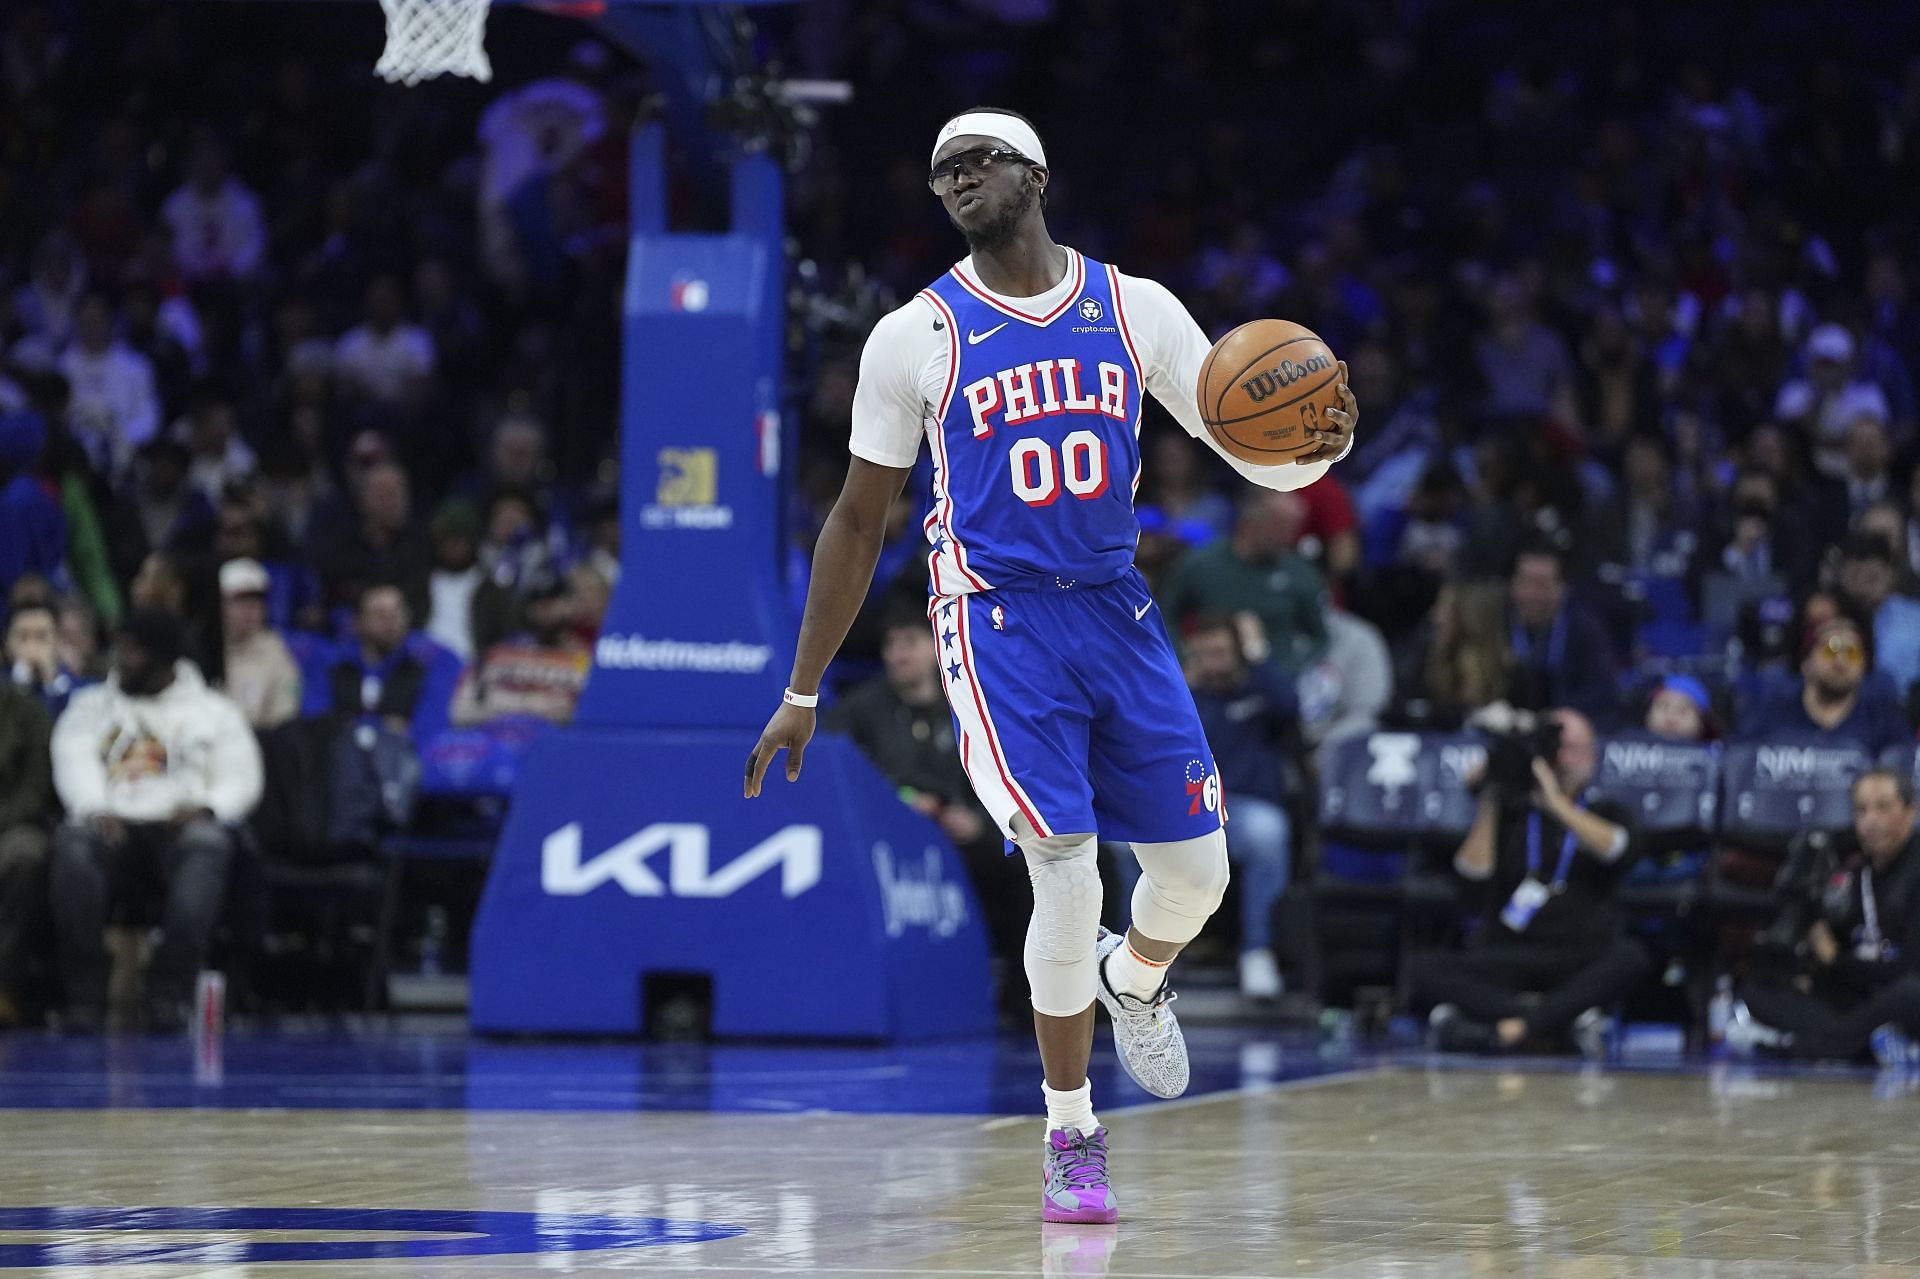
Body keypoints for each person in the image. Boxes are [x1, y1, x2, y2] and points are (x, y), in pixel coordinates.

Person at [742, 108, 1356, 1224]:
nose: (960, 180)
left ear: (1035, 173)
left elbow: (1246, 450)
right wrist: (801, 688)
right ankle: (1071, 1129)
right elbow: (855, 519)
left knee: (1198, 876)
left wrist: (1325, 441)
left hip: (1117, 611)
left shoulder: (1135, 308)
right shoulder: (913, 336)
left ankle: (1137, 977)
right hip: (995, 626)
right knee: (1066, 867)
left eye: (979, 161)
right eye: (942, 174)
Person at [48, 610, 263, 1031]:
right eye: (119, 647)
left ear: (164, 658)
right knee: (72, 845)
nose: (120, 658)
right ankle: (86, 992)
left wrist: (208, 807)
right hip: (113, 825)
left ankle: (169, 990)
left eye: (133, 650)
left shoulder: (213, 711)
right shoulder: (91, 705)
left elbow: (243, 776)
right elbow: (71, 760)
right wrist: (94, 806)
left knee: (209, 844)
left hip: (180, 828)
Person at [1408, 708, 1650, 1055]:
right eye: (1554, 745)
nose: (1561, 757)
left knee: (1631, 956)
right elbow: (1470, 878)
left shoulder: (1606, 810)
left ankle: (1507, 1025)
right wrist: (1491, 796)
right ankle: (1551, 1023)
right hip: (1509, 949)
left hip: (1576, 952)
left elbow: (1617, 849)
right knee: (1423, 967)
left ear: (1593, 758)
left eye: (1572, 747)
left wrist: (1554, 803)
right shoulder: (1513, 812)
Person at [825, 612, 1020, 1005]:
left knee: (1039, 866)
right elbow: (834, 771)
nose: (898, 655)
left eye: (909, 643)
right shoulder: (861, 709)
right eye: (890, 646)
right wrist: (899, 802)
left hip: (969, 838)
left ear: (936, 647)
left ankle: (1023, 999)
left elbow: (1007, 775)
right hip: (892, 841)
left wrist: (980, 823)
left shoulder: (972, 705)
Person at [1737, 769, 1920, 1064]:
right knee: (1758, 993)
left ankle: (1817, 1047)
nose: (1870, 821)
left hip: (1903, 991)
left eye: (1883, 808)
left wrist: (1836, 960)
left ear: (1911, 812)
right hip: (1862, 997)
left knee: (1910, 992)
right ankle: (1865, 1043)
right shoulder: (1853, 870)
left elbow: (1910, 967)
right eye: (1861, 810)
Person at [1172, 615, 1298, 999]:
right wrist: (1180, 689)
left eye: (1223, 652)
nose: (1215, 663)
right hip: (1187, 812)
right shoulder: (1184, 700)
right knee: (1122, 843)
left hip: (1244, 809)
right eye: (1205, 654)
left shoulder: (1259, 694)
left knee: (1268, 832)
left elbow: (1291, 708)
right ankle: (1139, 956)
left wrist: (1259, 656)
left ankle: (1258, 951)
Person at [1160, 489, 1331, 676]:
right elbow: (1165, 615)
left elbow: (1320, 638)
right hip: (1211, 682)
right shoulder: (1203, 563)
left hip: (1277, 687)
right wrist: (1180, 660)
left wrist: (1293, 669)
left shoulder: (1300, 573)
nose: (1287, 537)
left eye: (1292, 528)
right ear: (1250, 520)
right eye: (1279, 527)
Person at [1738, 614, 1912, 756]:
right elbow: (1738, 764)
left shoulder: (1885, 723)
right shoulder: (1770, 717)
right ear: (1806, 663)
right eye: (1831, 650)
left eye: (1852, 653)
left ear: (1864, 666)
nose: (1841, 662)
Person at [1505, 541, 1618, 718]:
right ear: (1512, 585)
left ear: (1562, 588)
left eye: (1542, 585)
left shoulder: (1585, 629)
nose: (1532, 594)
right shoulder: (1496, 626)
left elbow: (1602, 690)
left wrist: (1557, 715)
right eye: (1525, 583)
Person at [0, 677, 53, 1027]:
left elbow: (36, 787)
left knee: (25, 855)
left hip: (11, 826)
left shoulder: (25, 710)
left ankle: (4, 984)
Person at [218, 557, 300, 730]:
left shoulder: (277, 653)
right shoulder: (203, 648)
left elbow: (283, 720)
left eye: (257, 600)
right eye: (240, 600)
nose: (251, 609)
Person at [7, 598, 88, 716]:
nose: (32, 646)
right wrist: (19, 685)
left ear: (58, 641)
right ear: (7, 643)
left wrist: (50, 685)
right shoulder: (3, 689)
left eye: (42, 637)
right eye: (23, 637)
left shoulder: (83, 691)